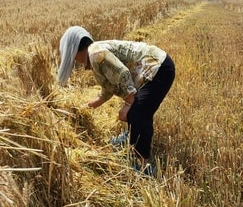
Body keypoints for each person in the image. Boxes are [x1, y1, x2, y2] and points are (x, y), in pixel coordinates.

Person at [57, 26, 175, 173]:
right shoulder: (96, 54)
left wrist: (128, 103)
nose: (77, 62)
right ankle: (131, 141)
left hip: (158, 68)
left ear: (77, 51)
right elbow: (108, 88)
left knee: (137, 114)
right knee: (140, 111)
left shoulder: (96, 54)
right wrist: (84, 108)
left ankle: (144, 166)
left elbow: (123, 74)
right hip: (158, 67)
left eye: (74, 57)